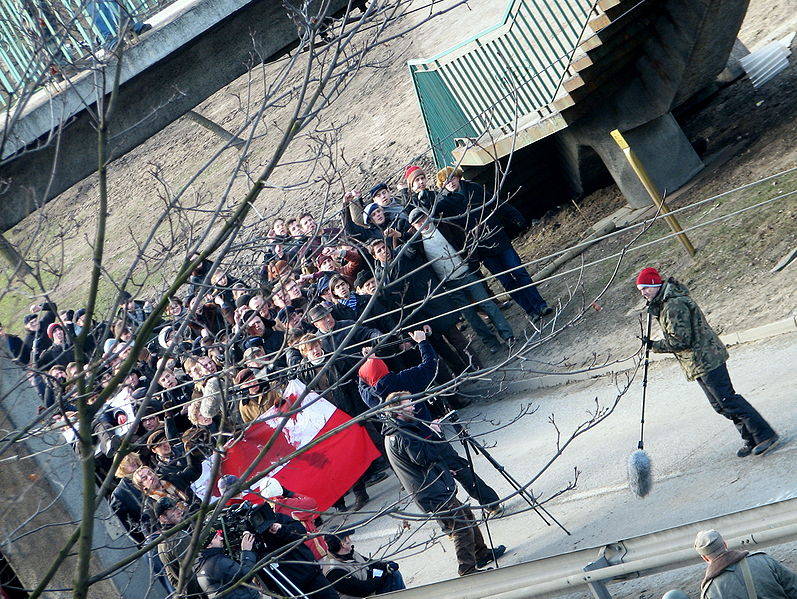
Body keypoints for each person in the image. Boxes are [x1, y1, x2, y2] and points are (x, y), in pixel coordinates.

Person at [635, 267, 779, 458]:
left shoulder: (673, 305)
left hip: (707, 358)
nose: (643, 293)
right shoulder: (664, 304)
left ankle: (765, 435)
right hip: (698, 362)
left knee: (729, 400)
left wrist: (654, 345)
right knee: (721, 405)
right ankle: (750, 438)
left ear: (655, 285)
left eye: (645, 288)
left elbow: (681, 340)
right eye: (641, 290)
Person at [383, 392, 506, 576]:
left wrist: (444, 470)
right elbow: (423, 458)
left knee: (465, 515)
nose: (414, 407)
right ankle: (467, 569)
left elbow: (420, 461)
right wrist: (435, 433)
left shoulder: (396, 431)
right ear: (398, 410)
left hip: (431, 486)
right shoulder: (403, 434)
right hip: (431, 491)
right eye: (409, 404)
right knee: (461, 527)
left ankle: (481, 553)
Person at [694, 529, 797, 599]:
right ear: (725, 544)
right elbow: (794, 588)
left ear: (704, 557)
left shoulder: (710, 592)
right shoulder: (763, 560)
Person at [322, 530, 405, 597]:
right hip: (362, 595)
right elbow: (362, 589)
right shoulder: (334, 571)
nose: (350, 540)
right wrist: (382, 576)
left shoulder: (348, 553)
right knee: (393, 577)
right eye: (347, 538)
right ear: (343, 544)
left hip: (367, 590)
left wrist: (386, 565)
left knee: (394, 574)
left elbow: (369, 562)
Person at [194, 529, 261, 599]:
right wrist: (246, 551)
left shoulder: (199, 564)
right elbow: (246, 575)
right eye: (216, 537)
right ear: (208, 545)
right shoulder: (217, 563)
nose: (221, 538)